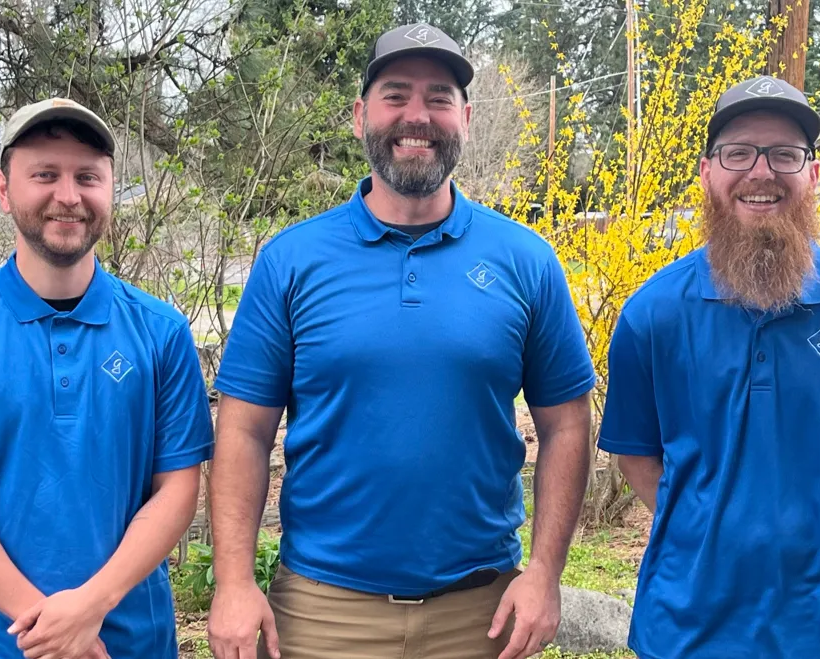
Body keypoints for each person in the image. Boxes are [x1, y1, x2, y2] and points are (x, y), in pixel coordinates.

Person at [206, 22, 596, 659]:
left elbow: (567, 425)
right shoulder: (291, 261)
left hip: (482, 613)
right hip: (323, 613)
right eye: (395, 95)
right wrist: (232, 582)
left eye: (439, 97)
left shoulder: (526, 260)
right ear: (361, 115)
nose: (417, 116)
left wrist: (546, 573)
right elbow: (244, 431)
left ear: (465, 117)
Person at [599, 75, 820, 658]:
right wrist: (704, 530)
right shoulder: (651, 314)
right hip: (683, 635)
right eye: (738, 153)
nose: (761, 172)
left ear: (814, 174)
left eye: (785, 154)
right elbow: (635, 456)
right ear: (707, 173)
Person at [0, 97, 214, 659]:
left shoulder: (161, 332)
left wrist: (90, 608)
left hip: (130, 642)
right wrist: (52, 631)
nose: (68, 195)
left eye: (87, 176)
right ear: (3, 189)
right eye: (45, 174)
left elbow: (179, 489)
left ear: (111, 188)